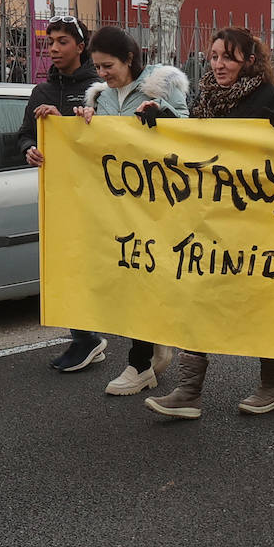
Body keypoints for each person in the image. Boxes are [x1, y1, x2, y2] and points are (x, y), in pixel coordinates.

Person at [143, 27, 274, 421]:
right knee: (199, 297)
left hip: (255, 222)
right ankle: (188, 391)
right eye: (213, 56)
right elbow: (193, 140)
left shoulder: (266, 97)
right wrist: (160, 120)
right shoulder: (206, 97)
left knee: (259, 304)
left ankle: (272, 385)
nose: (218, 64)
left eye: (227, 56)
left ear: (248, 59)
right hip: (211, 219)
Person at [68, 26, 190, 395]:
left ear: (130, 60)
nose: (102, 74)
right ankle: (150, 348)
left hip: (162, 201)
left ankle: (142, 362)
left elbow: (191, 129)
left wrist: (162, 113)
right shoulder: (100, 98)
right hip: (121, 204)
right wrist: (79, 124)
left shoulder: (161, 86)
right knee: (132, 278)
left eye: (108, 66)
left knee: (151, 274)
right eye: (98, 67)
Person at [19, 16, 108, 373]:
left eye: (62, 42)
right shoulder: (41, 91)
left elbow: (110, 141)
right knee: (66, 266)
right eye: (50, 41)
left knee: (98, 269)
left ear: (80, 46)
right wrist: (30, 148)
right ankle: (84, 338)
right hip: (59, 196)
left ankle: (139, 342)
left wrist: (66, 122)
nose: (53, 49)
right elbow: (24, 135)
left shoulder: (100, 88)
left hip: (99, 196)